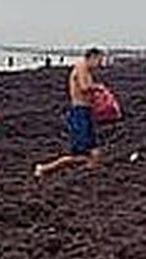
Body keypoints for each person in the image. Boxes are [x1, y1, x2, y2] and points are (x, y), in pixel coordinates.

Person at [34, 47, 107, 178]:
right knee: (80, 155)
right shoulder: (81, 67)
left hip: (86, 111)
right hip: (80, 112)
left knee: (95, 152)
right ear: (91, 57)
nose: (100, 64)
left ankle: (87, 176)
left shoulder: (87, 70)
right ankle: (44, 168)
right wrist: (98, 87)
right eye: (99, 60)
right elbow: (84, 88)